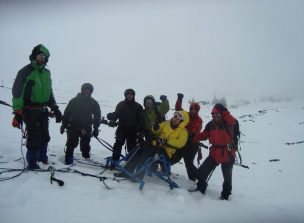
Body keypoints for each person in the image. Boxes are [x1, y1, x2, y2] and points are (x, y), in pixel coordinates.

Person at [11, 44, 62, 170]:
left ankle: (42, 157)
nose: (41, 58)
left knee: (45, 135)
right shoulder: (25, 71)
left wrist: (55, 108)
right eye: (39, 56)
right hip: (30, 110)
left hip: (43, 110)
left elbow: (49, 92)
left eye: (44, 57)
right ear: (34, 56)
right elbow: (17, 93)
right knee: (34, 137)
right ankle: (32, 163)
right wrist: (18, 112)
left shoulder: (47, 73)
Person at [118, 110, 189, 180]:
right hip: (157, 145)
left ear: (182, 122)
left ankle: (138, 176)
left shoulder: (183, 132)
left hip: (166, 152)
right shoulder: (166, 123)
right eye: (174, 117)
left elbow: (180, 143)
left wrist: (166, 141)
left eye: (178, 119)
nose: (175, 120)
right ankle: (127, 171)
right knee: (141, 147)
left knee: (147, 151)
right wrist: (155, 128)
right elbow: (158, 128)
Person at [191, 103, 237, 200]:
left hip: (227, 154)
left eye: (218, 114)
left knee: (227, 178)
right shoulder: (210, 124)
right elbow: (204, 135)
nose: (215, 116)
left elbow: (232, 120)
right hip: (215, 153)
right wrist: (194, 138)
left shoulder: (228, 123)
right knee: (201, 173)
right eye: (214, 115)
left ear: (222, 114)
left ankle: (225, 195)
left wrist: (224, 111)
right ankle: (201, 188)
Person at [60, 83, 101, 165]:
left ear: (91, 91)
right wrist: (63, 124)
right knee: (71, 143)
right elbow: (67, 113)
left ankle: (86, 157)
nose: (87, 91)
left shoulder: (93, 102)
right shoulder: (74, 101)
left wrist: (96, 128)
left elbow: (97, 116)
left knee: (85, 143)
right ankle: (68, 158)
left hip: (86, 127)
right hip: (73, 126)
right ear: (82, 90)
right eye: (85, 89)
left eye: (89, 90)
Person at [106, 88, 143, 168]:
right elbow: (116, 114)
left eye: (131, 94)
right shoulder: (121, 104)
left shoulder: (138, 106)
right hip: (121, 129)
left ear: (133, 95)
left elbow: (141, 120)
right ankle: (114, 161)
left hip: (133, 131)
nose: (129, 96)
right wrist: (112, 118)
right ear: (125, 95)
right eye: (128, 94)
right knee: (118, 144)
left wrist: (139, 130)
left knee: (131, 147)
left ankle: (130, 164)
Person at [175, 93, 203, 181]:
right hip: (184, 142)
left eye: (195, 109)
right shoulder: (186, 115)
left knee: (189, 162)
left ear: (197, 111)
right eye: (192, 109)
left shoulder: (199, 120)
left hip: (193, 143)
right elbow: (178, 109)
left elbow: (197, 127)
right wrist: (179, 99)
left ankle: (199, 178)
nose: (193, 111)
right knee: (184, 161)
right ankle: (192, 179)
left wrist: (193, 134)